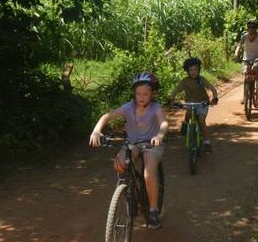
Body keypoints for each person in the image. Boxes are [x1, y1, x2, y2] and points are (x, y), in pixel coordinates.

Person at [89, 72, 167, 229]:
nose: (141, 97)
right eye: (138, 93)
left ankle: (153, 210)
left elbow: (164, 123)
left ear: (152, 94)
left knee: (148, 172)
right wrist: (97, 130)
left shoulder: (155, 108)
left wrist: (159, 134)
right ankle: (129, 192)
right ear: (134, 93)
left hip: (151, 143)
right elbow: (107, 116)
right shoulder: (128, 107)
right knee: (119, 164)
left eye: (145, 93)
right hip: (132, 143)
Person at [169, 57, 219, 153]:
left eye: (195, 69)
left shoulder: (202, 80)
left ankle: (206, 141)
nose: (193, 72)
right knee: (188, 113)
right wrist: (171, 98)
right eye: (191, 70)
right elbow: (176, 90)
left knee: (201, 120)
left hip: (202, 103)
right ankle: (185, 124)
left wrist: (214, 97)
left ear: (199, 70)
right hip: (190, 103)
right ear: (187, 71)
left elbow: (212, 88)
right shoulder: (185, 81)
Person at [234, 19, 258, 90]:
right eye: (250, 27)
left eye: (253, 27)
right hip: (246, 58)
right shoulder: (244, 36)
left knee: (256, 67)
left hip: (257, 58)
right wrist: (236, 54)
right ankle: (246, 95)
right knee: (246, 71)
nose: (251, 29)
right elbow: (239, 46)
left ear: (256, 28)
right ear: (247, 28)